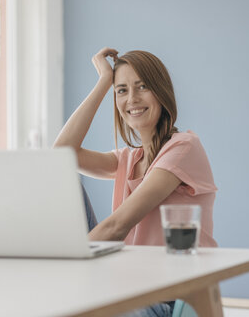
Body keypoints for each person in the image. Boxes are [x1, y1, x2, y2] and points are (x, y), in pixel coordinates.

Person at [54, 47, 218, 316]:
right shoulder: (127, 159)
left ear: (161, 92)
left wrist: (64, 268)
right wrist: (103, 82)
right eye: (122, 90)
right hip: (125, 283)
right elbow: (62, 155)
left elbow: (117, 226)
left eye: (142, 87)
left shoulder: (184, 148)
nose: (132, 99)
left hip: (166, 297)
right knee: (64, 182)